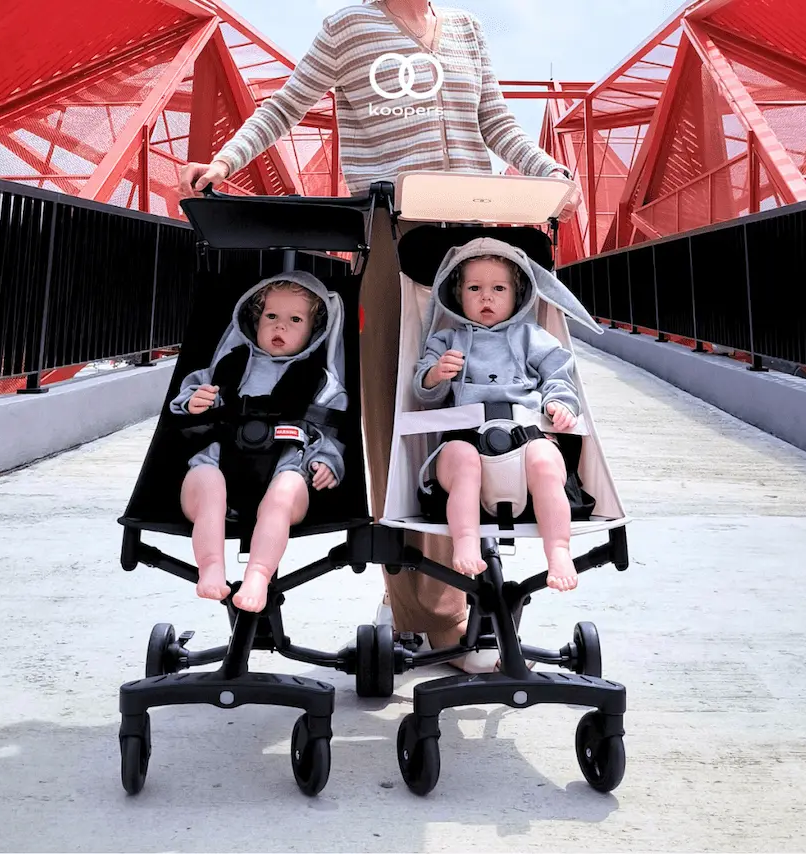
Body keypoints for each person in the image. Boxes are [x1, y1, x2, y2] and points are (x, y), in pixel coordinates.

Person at [176, 0, 581, 670]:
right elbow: (287, 103)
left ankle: (458, 592)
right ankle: (424, 611)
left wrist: (543, 171)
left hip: (476, 237)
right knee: (403, 419)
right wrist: (224, 162)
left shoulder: (467, 30)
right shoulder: (348, 27)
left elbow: (495, 122)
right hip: (395, 234)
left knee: (478, 413)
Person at [170, 273, 346, 613]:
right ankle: (210, 567)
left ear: (315, 330)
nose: (280, 327)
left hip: (283, 468)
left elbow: (331, 431)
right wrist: (193, 402)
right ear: (254, 320)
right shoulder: (229, 365)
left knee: (285, 492)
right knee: (206, 482)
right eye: (271, 317)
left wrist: (326, 461)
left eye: (295, 320)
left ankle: (258, 576)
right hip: (219, 462)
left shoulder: (320, 380)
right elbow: (191, 392)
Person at [414, 238, 582, 592]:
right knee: (461, 460)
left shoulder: (532, 337)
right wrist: (436, 375)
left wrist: (560, 405)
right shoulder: (446, 341)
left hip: (524, 439)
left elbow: (558, 376)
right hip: (465, 439)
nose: (486, 297)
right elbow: (422, 392)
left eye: (498, 288)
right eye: (474, 288)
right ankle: (465, 540)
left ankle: (559, 549)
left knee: (547, 462)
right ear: (458, 295)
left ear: (517, 296)